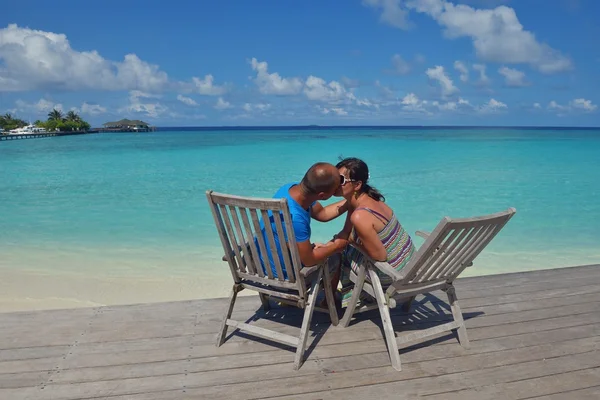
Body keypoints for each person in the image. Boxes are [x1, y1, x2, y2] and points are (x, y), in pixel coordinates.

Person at [332, 157, 417, 307]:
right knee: (341, 245)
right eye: (334, 177)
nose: (335, 183)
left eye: (341, 180)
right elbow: (324, 214)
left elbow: (380, 256)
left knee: (339, 252)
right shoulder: (374, 200)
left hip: (392, 277)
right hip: (411, 269)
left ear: (357, 185)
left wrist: (352, 242)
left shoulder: (359, 216)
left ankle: (341, 299)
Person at [259, 162, 349, 279]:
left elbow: (322, 214)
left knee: (324, 248)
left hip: (263, 265)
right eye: (335, 189)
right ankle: (326, 297)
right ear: (322, 196)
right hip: (283, 276)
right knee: (335, 258)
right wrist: (336, 247)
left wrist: (350, 202)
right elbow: (309, 261)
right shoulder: (295, 219)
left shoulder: (290, 189)